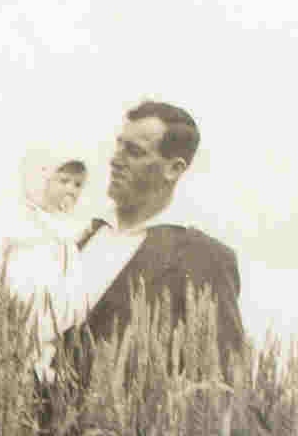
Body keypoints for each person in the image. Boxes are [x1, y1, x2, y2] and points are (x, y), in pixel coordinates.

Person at [59, 100, 245, 433]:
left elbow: (219, 388)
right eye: (118, 146)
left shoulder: (203, 258)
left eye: (134, 152)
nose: (116, 160)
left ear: (174, 168)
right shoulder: (82, 238)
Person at [0, 145, 90, 379]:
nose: (71, 189)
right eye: (64, 181)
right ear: (43, 180)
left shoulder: (67, 232)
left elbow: (72, 278)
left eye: (78, 184)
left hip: (43, 324)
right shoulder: (17, 219)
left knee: (32, 360)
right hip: (4, 316)